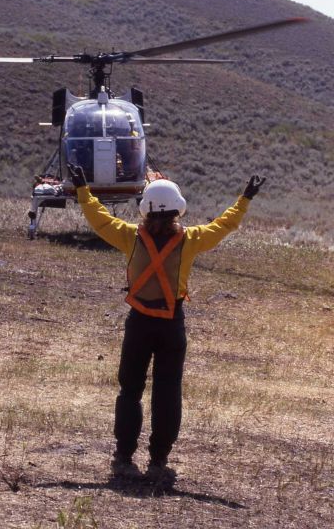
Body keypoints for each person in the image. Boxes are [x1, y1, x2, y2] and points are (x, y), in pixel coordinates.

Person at [67, 164, 265, 479]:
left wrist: (83, 191)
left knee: (130, 390)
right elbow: (225, 225)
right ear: (178, 210)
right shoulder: (192, 239)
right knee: (168, 391)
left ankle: (123, 456)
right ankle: (159, 460)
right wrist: (245, 198)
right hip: (172, 325)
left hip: (139, 324)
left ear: (144, 208)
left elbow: (98, 219)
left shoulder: (128, 235)